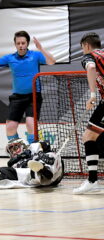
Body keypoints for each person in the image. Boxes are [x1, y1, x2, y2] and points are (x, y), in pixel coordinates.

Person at [0, 31, 55, 144]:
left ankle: (33, 152)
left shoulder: (35, 55)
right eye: (18, 43)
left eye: (23, 43)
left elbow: (52, 61)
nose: (21, 45)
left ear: (27, 43)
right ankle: (19, 153)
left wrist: (41, 48)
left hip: (33, 96)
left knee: (30, 123)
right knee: (10, 127)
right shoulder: (10, 58)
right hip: (17, 97)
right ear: (15, 44)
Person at [73, 32, 104, 194]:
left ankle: (92, 180)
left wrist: (92, 94)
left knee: (88, 137)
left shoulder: (89, 57)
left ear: (86, 45)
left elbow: (91, 68)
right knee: (91, 136)